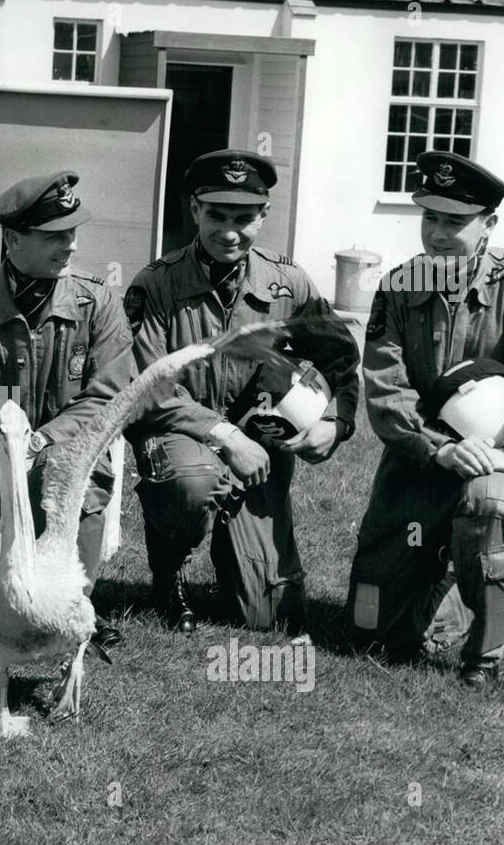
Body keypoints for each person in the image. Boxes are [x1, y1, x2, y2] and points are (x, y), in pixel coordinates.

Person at [346, 151, 504, 687]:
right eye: (429, 218)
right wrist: (436, 447)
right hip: (423, 458)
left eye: (454, 222)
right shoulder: (399, 285)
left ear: (488, 224)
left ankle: (486, 647)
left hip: (498, 456)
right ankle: (470, 583)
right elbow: (387, 387)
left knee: (487, 506)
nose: (437, 234)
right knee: (372, 631)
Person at [123, 150, 360, 637]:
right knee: (192, 482)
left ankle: (236, 550)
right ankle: (168, 576)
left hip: (260, 447)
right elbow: (149, 386)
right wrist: (225, 435)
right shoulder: (157, 284)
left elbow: (340, 354)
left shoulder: (288, 283)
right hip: (180, 433)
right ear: (194, 210)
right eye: (216, 215)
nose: (229, 232)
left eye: (244, 218)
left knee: (269, 616)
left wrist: (336, 423)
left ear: (263, 216)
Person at [0, 171, 132, 651]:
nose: (71, 246)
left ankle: (74, 606)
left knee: (86, 477)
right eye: (55, 236)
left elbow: (110, 395)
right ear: (13, 240)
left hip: (64, 453)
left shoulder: (96, 303)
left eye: (73, 233)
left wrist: (39, 442)